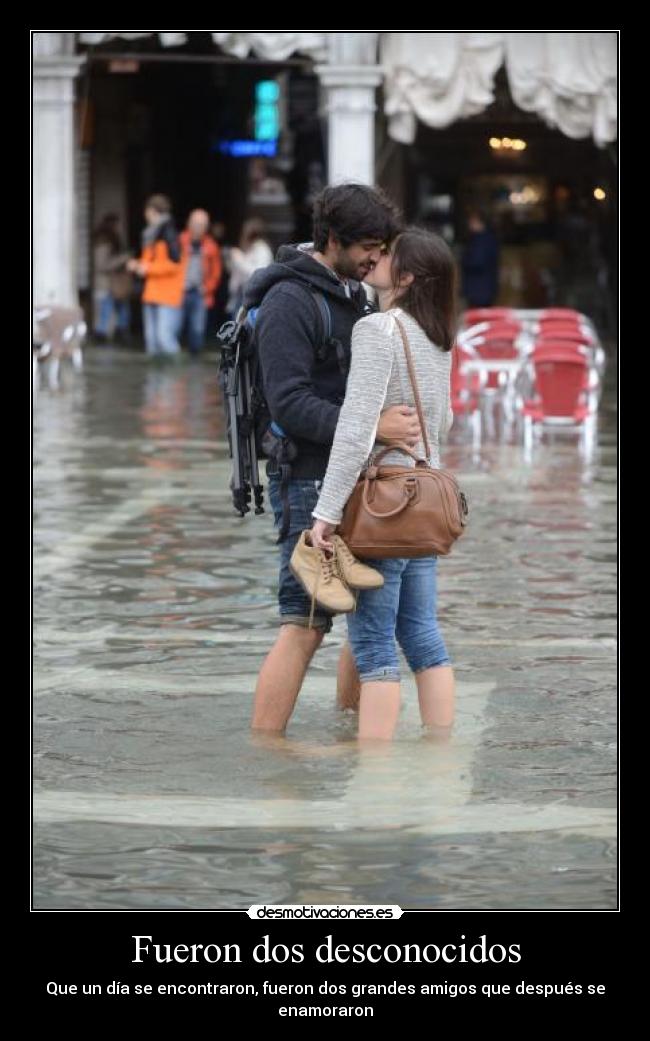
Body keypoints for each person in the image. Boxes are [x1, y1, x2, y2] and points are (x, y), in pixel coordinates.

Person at [248, 183, 423, 733]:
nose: (376, 258)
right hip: (305, 477)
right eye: (368, 246)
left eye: (382, 247)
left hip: (359, 476)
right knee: (305, 621)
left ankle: (350, 732)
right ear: (332, 239)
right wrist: (374, 427)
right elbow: (289, 403)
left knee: (368, 616)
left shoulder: (354, 295)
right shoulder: (288, 301)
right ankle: (267, 752)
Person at [310, 228, 456, 742]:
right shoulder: (437, 337)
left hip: (382, 505)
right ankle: (440, 747)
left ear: (407, 276)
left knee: (373, 645)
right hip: (425, 503)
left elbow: (355, 430)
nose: (376, 257)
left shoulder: (378, 330)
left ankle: (374, 769)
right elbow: (444, 422)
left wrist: (325, 513)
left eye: (388, 254)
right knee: (422, 635)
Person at [127, 194, 183, 357]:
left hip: (167, 296)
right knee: (152, 341)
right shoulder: (151, 234)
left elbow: (175, 264)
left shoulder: (169, 233)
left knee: (164, 338)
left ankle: (178, 370)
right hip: (151, 293)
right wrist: (138, 264)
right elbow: (150, 261)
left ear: (152, 211)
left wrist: (147, 268)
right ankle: (157, 373)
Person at [178, 209, 222, 355]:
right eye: (196, 224)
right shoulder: (179, 240)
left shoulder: (211, 245)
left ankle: (194, 358)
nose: (198, 228)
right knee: (176, 327)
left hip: (200, 293)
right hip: (179, 291)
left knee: (197, 329)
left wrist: (208, 288)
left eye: (202, 225)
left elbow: (216, 272)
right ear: (189, 224)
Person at [92, 214, 132, 344]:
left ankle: (117, 332)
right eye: (117, 225)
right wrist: (123, 258)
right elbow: (102, 265)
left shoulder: (113, 240)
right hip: (108, 283)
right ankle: (104, 334)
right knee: (108, 309)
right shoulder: (104, 242)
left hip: (114, 283)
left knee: (118, 309)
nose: (120, 228)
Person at [227, 218, 274, 317]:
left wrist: (239, 258)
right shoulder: (252, 248)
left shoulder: (262, 250)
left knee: (241, 325)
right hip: (242, 294)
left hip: (252, 297)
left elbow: (258, 274)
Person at [461, 208, 500, 308]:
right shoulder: (488, 238)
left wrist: (463, 260)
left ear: (478, 221)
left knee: (479, 314)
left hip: (479, 289)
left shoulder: (481, 240)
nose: (469, 224)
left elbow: (477, 261)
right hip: (484, 288)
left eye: (471, 221)